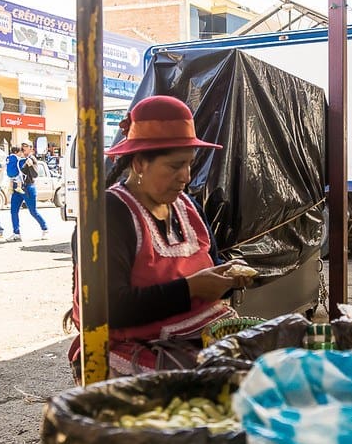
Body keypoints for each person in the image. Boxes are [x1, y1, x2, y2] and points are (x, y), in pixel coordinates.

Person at [65, 95, 253, 381]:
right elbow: (106, 308)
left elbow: (211, 263)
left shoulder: (187, 207)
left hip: (194, 337)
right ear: (140, 163)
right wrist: (191, 289)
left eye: (190, 164)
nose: (186, 177)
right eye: (175, 166)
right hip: (131, 353)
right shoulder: (108, 215)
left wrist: (225, 278)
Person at [7, 141, 48, 241]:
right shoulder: (19, 159)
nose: (23, 148)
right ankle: (16, 233)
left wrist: (30, 166)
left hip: (28, 187)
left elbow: (35, 175)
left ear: (31, 148)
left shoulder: (32, 159)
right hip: (18, 188)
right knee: (13, 211)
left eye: (26, 147)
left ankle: (45, 229)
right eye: (22, 146)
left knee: (33, 211)